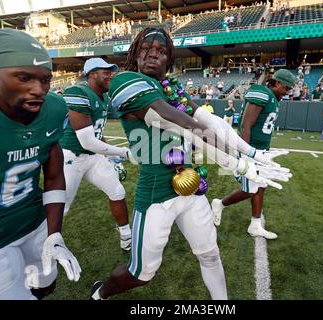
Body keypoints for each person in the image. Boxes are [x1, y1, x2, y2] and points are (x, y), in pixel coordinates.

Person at [90, 28, 289, 300]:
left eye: (162, 51)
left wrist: (252, 153)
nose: (153, 54)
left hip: (192, 186)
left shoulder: (171, 86)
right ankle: (100, 293)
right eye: (147, 48)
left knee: (210, 255)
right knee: (142, 273)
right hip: (157, 192)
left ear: (169, 60)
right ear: (136, 52)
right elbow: (184, 125)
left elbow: (210, 122)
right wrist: (240, 166)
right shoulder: (125, 81)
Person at [0, 28, 80, 300]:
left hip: (34, 222)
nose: (38, 90)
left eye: (45, 79)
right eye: (23, 77)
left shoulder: (55, 109)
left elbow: (53, 176)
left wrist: (54, 234)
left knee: (45, 286)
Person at [211, 69, 296, 239]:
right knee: (251, 190)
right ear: (277, 83)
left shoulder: (273, 98)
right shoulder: (262, 93)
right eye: (286, 88)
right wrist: (246, 154)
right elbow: (245, 125)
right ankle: (219, 204)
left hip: (260, 150)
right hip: (250, 150)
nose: (287, 92)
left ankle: (255, 225)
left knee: (260, 186)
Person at [60, 58, 132, 251]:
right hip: (71, 157)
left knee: (117, 191)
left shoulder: (104, 98)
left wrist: (110, 156)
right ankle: (42, 244)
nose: (110, 76)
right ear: (92, 74)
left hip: (93, 157)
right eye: (106, 72)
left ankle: (126, 237)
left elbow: (97, 135)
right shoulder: (78, 92)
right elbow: (87, 141)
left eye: (110, 72)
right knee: (61, 208)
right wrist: (123, 152)